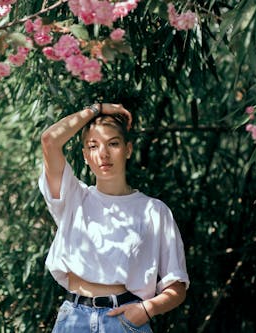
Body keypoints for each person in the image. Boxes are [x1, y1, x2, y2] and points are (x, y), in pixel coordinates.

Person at [39, 102, 189, 332]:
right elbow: (50, 140)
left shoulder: (154, 211)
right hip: (74, 320)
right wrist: (97, 108)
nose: (103, 154)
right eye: (93, 146)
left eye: (113, 144)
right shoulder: (73, 197)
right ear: (85, 155)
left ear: (128, 149)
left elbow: (176, 288)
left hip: (125, 320)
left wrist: (145, 311)